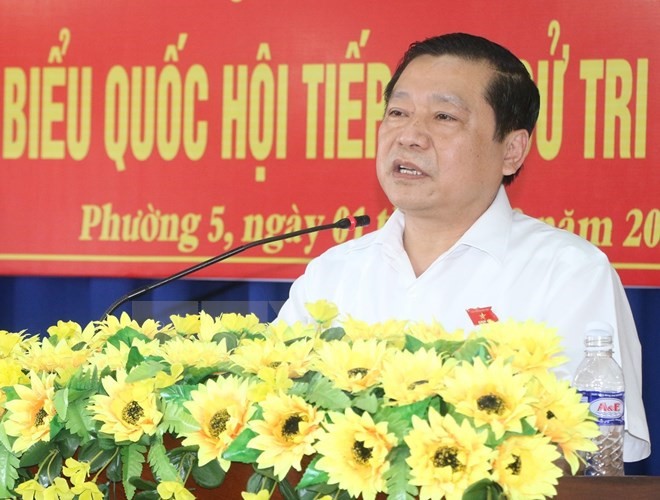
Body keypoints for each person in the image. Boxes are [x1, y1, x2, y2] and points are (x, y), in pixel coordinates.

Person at [277, 33, 650, 462]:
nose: (409, 136)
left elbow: (594, 452)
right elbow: (275, 416)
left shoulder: (569, 273)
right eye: (397, 112)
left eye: (444, 116)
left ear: (511, 150)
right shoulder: (333, 274)